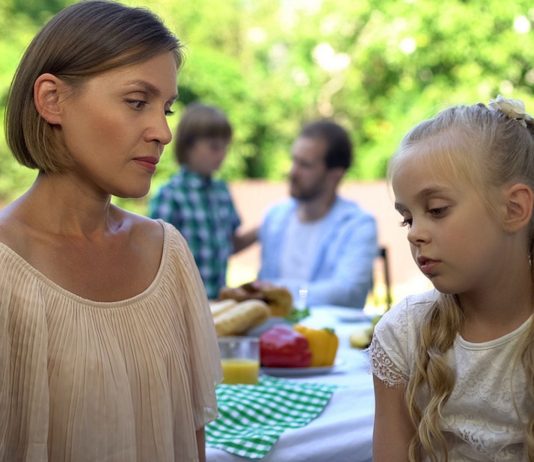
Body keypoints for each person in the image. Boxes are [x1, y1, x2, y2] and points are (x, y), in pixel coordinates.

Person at [0, 2, 221, 461]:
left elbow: (190, 437)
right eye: (137, 102)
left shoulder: (168, 254)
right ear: (51, 100)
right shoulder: (6, 269)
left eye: (167, 109)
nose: (162, 132)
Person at [370, 96, 534, 461]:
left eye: (437, 210)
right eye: (407, 218)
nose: (414, 234)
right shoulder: (403, 335)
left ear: (514, 209)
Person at [257, 120, 378, 308]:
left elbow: (348, 292)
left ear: (335, 175)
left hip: (330, 335)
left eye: (305, 165)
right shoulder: (275, 217)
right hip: (272, 334)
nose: (292, 172)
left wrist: (278, 292)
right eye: (294, 160)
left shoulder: (357, 225)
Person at [149, 103, 257, 299]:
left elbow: (230, 244)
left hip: (218, 303)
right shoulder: (171, 195)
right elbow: (155, 258)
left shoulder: (221, 192)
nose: (222, 154)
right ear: (188, 146)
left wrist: (264, 228)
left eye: (225, 147)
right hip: (182, 304)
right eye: (214, 147)